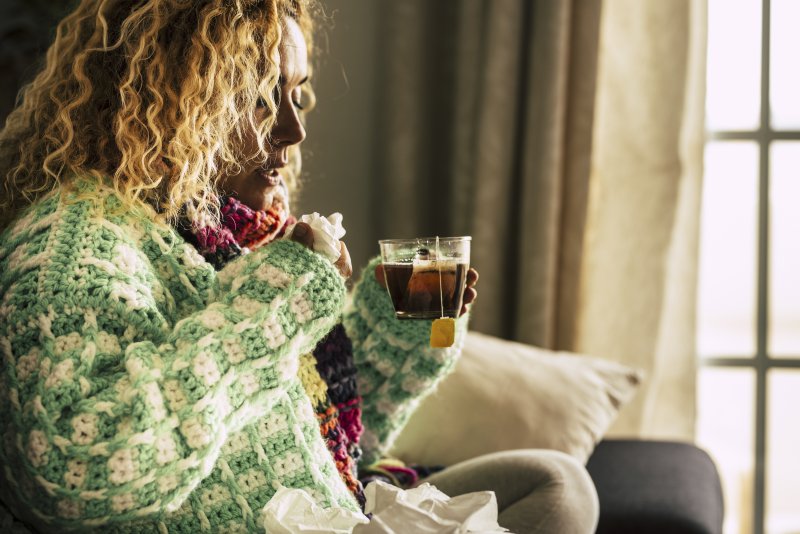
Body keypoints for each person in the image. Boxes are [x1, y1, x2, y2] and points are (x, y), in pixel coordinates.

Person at [0, 0, 598, 532]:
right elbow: (72, 471)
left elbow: (334, 440)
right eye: (262, 99)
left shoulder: (229, 238)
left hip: (335, 504)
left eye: (297, 93)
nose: (294, 127)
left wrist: (408, 327)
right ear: (175, 101)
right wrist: (282, 296)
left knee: (554, 480)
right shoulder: (73, 248)